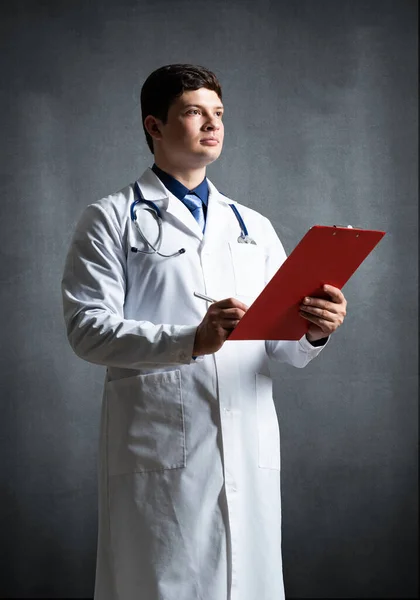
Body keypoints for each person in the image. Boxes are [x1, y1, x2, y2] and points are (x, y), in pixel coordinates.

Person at [61, 64, 347, 600]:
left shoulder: (252, 226)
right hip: (161, 445)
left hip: (247, 437)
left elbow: (280, 346)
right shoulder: (110, 219)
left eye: (218, 114)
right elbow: (87, 330)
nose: (211, 125)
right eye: (194, 112)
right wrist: (190, 340)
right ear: (154, 125)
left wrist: (313, 330)